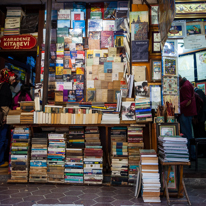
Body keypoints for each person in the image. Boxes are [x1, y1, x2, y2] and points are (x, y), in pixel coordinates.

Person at [0, 68, 17, 167]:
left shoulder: (1, 85)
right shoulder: (5, 87)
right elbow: (5, 104)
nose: (14, 81)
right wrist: (6, 116)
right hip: (3, 117)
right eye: (13, 78)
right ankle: (1, 160)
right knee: (3, 138)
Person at [179, 75, 197, 160]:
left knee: (187, 135)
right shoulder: (187, 83)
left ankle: (190, 155)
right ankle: (192, 154)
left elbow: (188, 100)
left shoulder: (185, 86)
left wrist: (178, 106)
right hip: (188, 113)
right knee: (189, 134)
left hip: (186, 113)